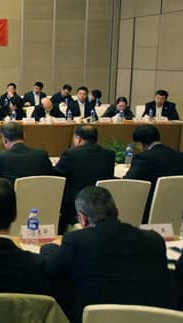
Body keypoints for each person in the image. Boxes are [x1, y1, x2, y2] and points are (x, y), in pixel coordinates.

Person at [41, 187, 177, 323]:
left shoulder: (77, 241)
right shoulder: (154, 240)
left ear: (83, 219)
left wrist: (49, 247)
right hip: (147, 318)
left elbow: (49, 267)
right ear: (116, 211)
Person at [53, 125, 115, 232]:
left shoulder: (71, 154)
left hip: (75, 207)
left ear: (78, 139)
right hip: (101, 206)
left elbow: (56, 176)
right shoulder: (109, 155)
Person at [124, 125, 183, 221]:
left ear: (140, 143)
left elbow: (128, 182)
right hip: (177, 210)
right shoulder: (180, 156)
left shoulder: (143, 158)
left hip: (148, 211)